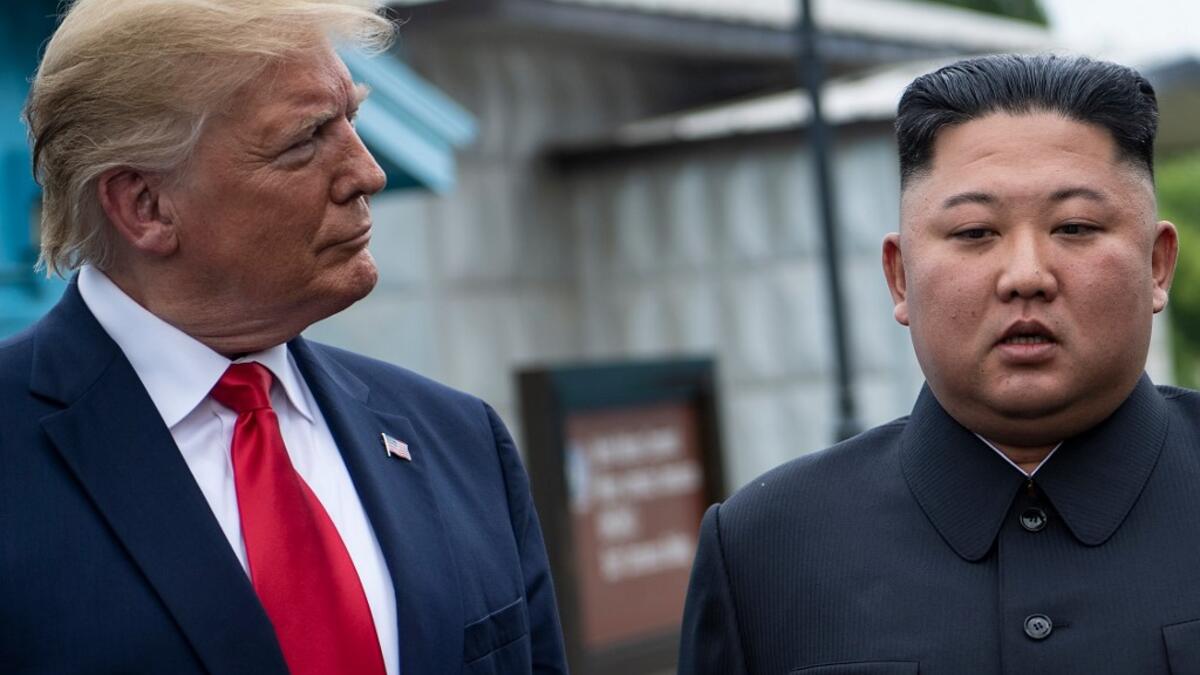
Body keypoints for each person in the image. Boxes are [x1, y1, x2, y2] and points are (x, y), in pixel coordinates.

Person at [1, 1, 567, 674]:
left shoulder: (462, 441)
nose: (368, 173)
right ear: (144, 205)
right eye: (305, 139)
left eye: (352, 119)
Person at [678, 54, 1199, 673]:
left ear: (1157, 264)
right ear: (900, 277)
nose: (1026, 276)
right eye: (975, 232)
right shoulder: (765, 548)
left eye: (1075, 226)